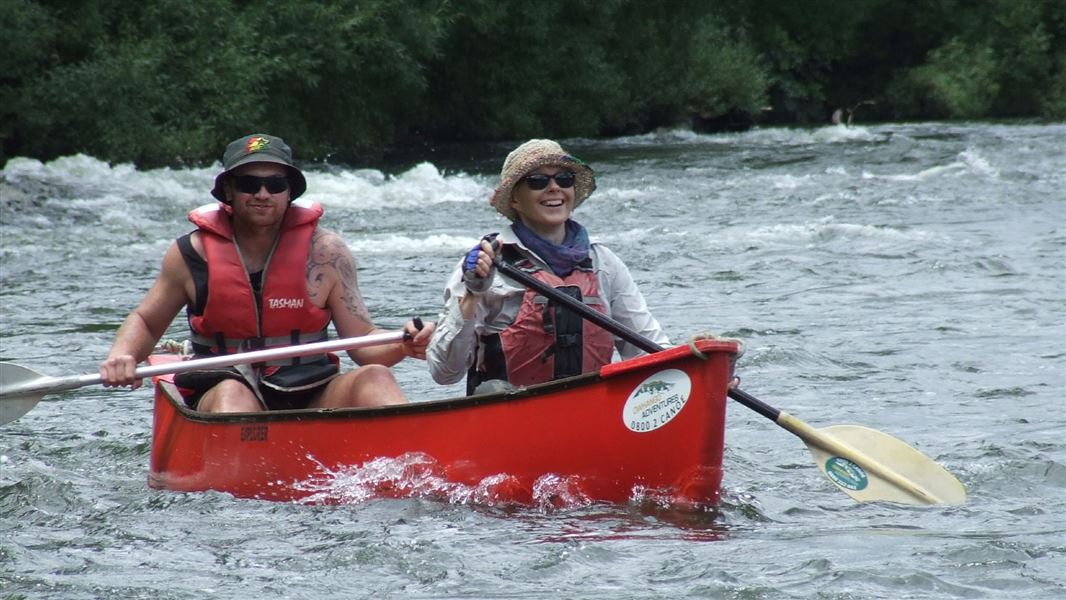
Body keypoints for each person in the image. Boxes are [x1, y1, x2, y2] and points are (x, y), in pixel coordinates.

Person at [99, 133, 435, 412]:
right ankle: (235, 482)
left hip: (309, 390)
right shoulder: (192, 254)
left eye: (275, 184)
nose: (262, 194)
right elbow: (146, 320)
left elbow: (362, 341)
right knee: (235, 397)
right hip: (222, 386)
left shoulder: (326, 253)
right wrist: (122, 356)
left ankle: (415, 471)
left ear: (289, 192)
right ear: (229, 190)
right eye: (249, 183)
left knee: (375, 377)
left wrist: (404, 344)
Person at [427, 139, 671, 395]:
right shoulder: (486, 262)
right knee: (493, 390)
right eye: (537, 181)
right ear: (515, 200)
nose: (554, 188)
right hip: (509, 418)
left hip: (592, 413)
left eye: (564, 179)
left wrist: (691, 356)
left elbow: (649, 349)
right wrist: (472, 295)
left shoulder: (603, 262)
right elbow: (445, 372)